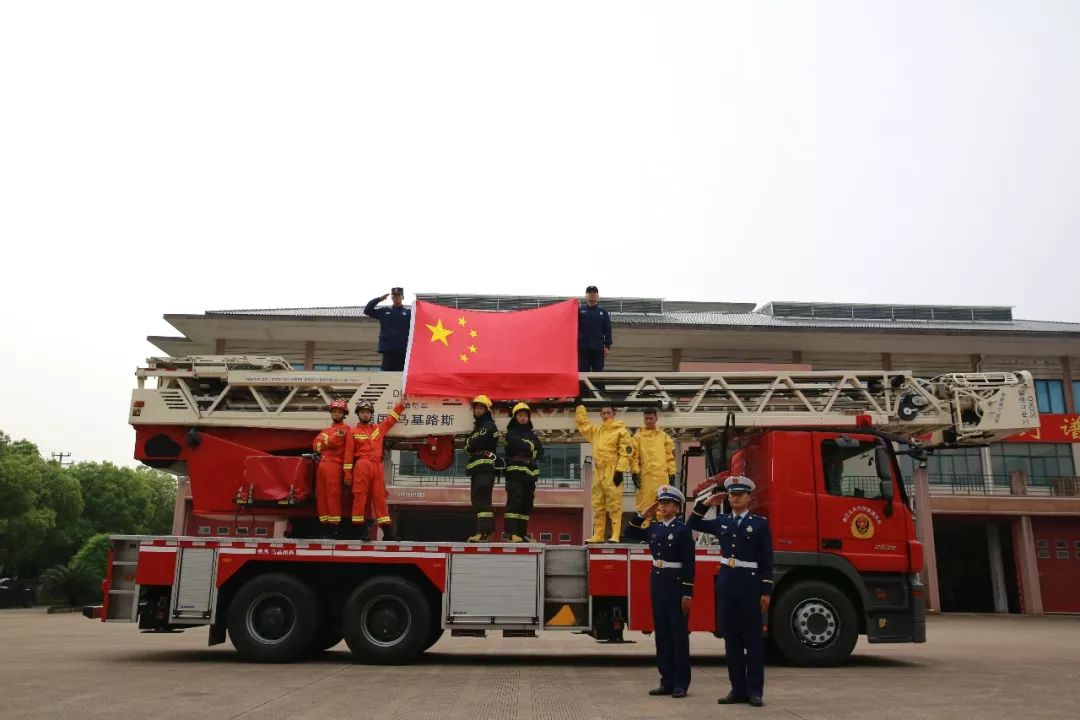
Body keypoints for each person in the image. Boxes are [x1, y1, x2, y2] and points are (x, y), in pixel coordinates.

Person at [687, 475, 774, 708]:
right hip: (727, 585)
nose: (735, 498)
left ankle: (755, 691)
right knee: (732, 640)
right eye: (732, 494)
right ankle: (737, 689)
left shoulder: (760, 524)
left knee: (753, 640)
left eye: (740, 494)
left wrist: (766, 590)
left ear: (749, 497)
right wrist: (705, 505)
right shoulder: (722, 521)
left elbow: (767, 560)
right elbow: (692, 525)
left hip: (750, 585)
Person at [623, 485, 696, 699]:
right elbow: (629, 533)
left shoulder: (682, 531)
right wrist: (642, 514)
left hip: (675, 585)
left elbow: (689, 565)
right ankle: (666, 680)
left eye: (666, 503)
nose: (662, 506)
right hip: (658, 583)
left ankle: (681, 682)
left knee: (678, 636)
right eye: (661, 503)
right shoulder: (655, 528)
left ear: (677, 507)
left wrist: (687, 593)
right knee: (662, 635)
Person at [344, 399, 406, 541]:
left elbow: (391, 420)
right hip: (362, 465)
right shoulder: (352, 432)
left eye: (367, 412)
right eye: (362, 412)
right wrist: (347, 475)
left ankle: (388, 533)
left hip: (377, 466)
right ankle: (360, 532)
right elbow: (348, 457)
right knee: (360, 498)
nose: (365, 414)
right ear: (358, 414)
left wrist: (401, 405)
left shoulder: (378, 429)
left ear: (371, 414)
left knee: (380, 499)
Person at [575, 403, 633, 543]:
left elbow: (626, 452)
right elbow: (583, 425)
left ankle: (615, 535)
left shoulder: (621, 431)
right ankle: (598, 535)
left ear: (614, 414)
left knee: (614, 504)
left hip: (612, 471)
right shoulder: (596, 430)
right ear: (600, 415)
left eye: (608, 413)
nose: (606, 416)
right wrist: (580, 407)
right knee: (598, 503)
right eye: (603, 413)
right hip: (598, 471)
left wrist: (620, 470)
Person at [503, 402, 543, 542]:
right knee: (515, 500)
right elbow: (519, 445)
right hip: (515, 471)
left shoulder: (531, 434)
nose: (523, 418)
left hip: (529, 473)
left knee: (527, 503)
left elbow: (540, 450)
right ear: (515, 417)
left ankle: (521, 534)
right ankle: (510, 533)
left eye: (525, 415)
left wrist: (529, 446)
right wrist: (531, 446)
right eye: (520, 415)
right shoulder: (511, 433)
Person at [631, 408, 676, 528]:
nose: (649, 421)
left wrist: (672, 472)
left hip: (662, 476)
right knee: (645, 507)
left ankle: (663, 531)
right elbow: (634, 456)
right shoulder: (638, 436)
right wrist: (635, 472)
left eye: (651, 418)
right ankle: (645, 534)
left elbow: (669, 456)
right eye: (646, 418)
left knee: (663, 505)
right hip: (646, 478)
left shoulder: (664, 436)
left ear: (656, 418)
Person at [312, 399, 351, 532]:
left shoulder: (345, 429)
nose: (336, 414)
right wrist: (323, 442)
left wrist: (323, 441)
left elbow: (333, 441)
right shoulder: (327, 429)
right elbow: (315, 445)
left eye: (339, 412)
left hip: (335, 465)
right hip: (322, 464)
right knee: (321, 494)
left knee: (333, 494)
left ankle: (334, 526)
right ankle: (324, 523)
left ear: (344, 414)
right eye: (334, 411)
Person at [465, 395, 499, 542]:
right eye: (476, 408)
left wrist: (472, 443)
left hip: (485, 467)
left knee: (482, 500)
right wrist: (471, 443)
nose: (478, 410)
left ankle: (483, 533)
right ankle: (484, 532)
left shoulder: (489, 426)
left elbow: (473, 443)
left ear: (487, 409)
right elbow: (468, 447)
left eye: (481, 407)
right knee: (477, 500)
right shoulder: (478, 428)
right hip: (478, 469)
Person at [364, 287, 411, 371]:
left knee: (402, 375)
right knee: (387, 376)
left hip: (403, 350)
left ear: (402, 297)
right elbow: (367, 310)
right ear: (391, 297)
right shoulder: (384, 311)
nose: (396, 298)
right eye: (394, 296)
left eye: (398, 296)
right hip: (388, 350)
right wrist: (378, 299)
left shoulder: (409, 312)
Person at [578, 285, 612, 372]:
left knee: (598, 372)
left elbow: (608, 330)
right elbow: (571, 325)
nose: (592, 294)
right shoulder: (579, 311)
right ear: (586, 296)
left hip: (598, 348)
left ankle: (598, 386)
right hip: (583, 348)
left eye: (594, 292)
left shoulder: (603, 312)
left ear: (598, 296)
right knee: (583, 372)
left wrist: (607, 346)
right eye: (589, 293)